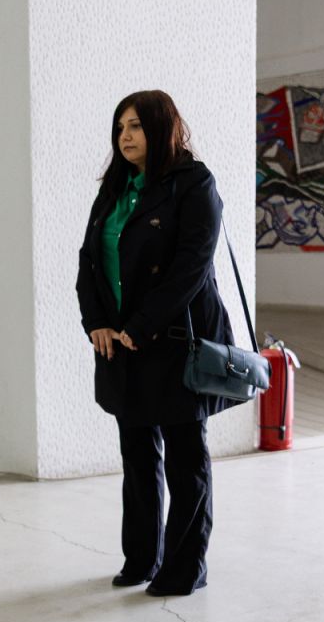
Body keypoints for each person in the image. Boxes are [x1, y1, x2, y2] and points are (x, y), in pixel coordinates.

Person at [75, 91, 241, 595]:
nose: (124, 136)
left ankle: (185, 569)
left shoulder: (194, 183)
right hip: (120, 343)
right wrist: (96, 322)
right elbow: (89, 259)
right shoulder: (116, 187)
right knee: (137, 454)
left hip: (173, 340)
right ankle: (142, 557)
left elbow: (191, 267)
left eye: (136, 126)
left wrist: (141, 325)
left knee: (185, 459)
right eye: (119, 127)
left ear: (161, 128)